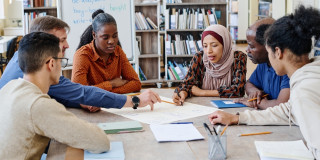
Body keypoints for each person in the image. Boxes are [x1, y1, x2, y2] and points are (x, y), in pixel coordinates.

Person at [208, 5, 320, 159]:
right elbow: (287, 111)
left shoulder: (304, 92)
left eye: (268, 52)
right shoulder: (311, 72)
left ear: (278, 52)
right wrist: (238, 118)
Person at [0, 16, 160, 112]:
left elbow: (64, 94)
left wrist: (82, 102)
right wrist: (135, 101)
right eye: (62, 40)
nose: (67, 45)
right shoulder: (38, 67)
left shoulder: (21, 57)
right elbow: (81, 91)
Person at [0, 32, 110, 159]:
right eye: (61, 60)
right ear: (51, 64)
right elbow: (100, 142)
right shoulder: (38, 104)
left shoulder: (9, 87)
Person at [172, 24, 247, 106]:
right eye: (205, 46)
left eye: (214, 45)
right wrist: (183, 93)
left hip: (228, 110)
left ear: (225, 44)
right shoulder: (199, 58)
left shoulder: (238, 57)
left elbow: (239, 90)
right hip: (202, 107)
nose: (208, 51)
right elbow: (187, 84)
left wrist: (202, 92)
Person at [72, 12, 141, 94]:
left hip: (113, 104)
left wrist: (109, 94)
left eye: (115, 36)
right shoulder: (82, 55)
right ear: (94, 35)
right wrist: (112, 84)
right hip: (91, 106)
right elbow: (79, 92)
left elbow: (136, 83)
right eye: (105, 37)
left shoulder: (118, 51)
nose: (112, 41)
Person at [234, 18, 290, 109]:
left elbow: (282, 106)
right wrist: (254, 92)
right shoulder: (264, 64)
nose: (247, 50)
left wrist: (257, 103)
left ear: (268, 46)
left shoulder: (288, 68)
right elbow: (249, 83)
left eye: (251, 46)